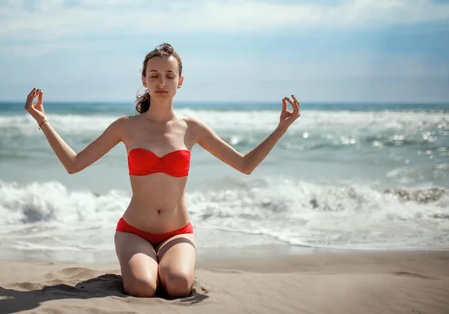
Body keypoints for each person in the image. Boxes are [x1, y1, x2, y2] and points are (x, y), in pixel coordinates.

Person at [24, 43, 300, 299]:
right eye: (154, 75)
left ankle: (168, 264)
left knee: (178, 285)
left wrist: (281, 128)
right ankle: (144, 265)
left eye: (169, 75)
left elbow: (245, 165)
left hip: (177, 232)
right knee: (143, 288)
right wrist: (43, 121)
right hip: (134, 231)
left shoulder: (192, 129)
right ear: (144, 80)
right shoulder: (126, 126)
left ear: (180, 82)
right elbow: (74, 164)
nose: (161, 82)